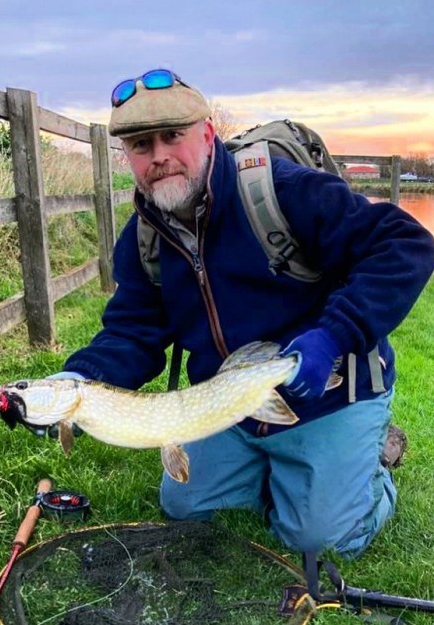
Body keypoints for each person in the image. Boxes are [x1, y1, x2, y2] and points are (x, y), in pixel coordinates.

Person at [48, 69, 434, 560]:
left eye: (173, 136)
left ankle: (372, 467)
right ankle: (287, 470)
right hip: (229, 404)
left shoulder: (282, 190)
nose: (160, 156)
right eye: (142, 145)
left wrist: (334, 336)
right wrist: (77, 382)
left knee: (320, 540)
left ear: (207, 134)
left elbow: (406, 244)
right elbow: (133, 331)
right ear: (127, 156)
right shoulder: (143, 237)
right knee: (184, 505)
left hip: (328, 390)